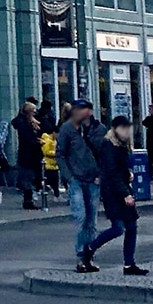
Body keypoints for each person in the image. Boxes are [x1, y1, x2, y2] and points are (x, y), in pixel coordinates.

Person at [79, 116, 148, 275]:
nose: (127, 132)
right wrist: (125, 193)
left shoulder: (122, 145)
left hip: (122, 188)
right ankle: (89, 249)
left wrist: (128, 174)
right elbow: (111, 172)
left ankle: (129, 264)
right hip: (113, 192)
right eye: (123, 129)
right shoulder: (109, 145)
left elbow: (120, 168)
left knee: (131, 226)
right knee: (118, 228)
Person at [57, 99, 106, 271]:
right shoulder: (68, 129)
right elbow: (60, 154)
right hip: (76, 180)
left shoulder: (100, 129)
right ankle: (80, 256)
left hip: (93, 180)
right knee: (80, 217)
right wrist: (69, 177)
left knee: (91, 221)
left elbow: (106, 154)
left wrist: (101, 174)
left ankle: (89, 257)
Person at [11, 100, 43, 209]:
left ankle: (29, 199)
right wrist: (36, 142)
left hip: (32, 154)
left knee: (32, 177)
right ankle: (28, 200)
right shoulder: (23, 125)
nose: (35, 114)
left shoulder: (30, 123)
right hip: (28, 154)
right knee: (28, 177)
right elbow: (26, 139)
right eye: (33, 112)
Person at [40, 123, 60, 198]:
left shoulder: (54, 140)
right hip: (48, 164)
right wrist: (56, 153)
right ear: (54, 132)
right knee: (50, 180)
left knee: (54, 181)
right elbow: (46, 151)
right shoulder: (47, 140)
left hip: (53, 164)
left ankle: (56, 194)